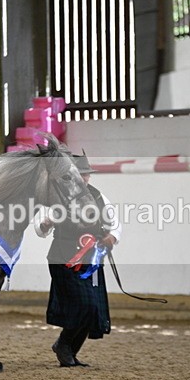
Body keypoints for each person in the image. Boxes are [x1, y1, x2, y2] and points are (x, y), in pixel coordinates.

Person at [34, 154, 121, 367]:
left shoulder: (100, 198)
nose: (84, 178)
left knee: (91, 308)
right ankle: (64, 345)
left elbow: (115, 224)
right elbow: (40, 225)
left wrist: (111, 238)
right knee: (84, 305)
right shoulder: (57, 197)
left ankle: (69, 350)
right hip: (63, 259)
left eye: (86, 174)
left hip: (91, 260)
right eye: (80, 174)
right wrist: (44, 225)